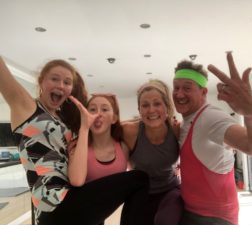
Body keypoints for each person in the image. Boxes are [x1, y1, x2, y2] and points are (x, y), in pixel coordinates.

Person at [0, 57, 148, 225]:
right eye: (54, 78)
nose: (61, 85)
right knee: (139, 179)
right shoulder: (26, 108)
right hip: (54, 205)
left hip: (71, 199)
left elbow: (104, 125)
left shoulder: (64, 119)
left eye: (67, 82)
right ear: (41, 81)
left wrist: (152, 121)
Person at [172, 52, 252, 225]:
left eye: (187, 88)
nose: (179, 94)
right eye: (176, 87)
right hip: (191, 211)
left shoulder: (210, 118)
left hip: (213, 219)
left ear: (203, 92)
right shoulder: (186, 122)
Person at [68, 93, 149, 225]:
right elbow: (76, 181)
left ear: (114, 118)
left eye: (105, 109)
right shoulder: (78, 145)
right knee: (140, 178)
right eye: (92, 109)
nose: (97, 114)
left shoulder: (123, 147)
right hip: (78, 212)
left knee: (141, 178)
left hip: (102, 212)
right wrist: (84, 128)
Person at [122, 79, 183, 225]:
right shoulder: (129, 131)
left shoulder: (176, 130)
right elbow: (102, 132)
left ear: (167, 107)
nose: (151, 110)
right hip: (139, 192)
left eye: (157, 104)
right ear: (139, 110)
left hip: (170, 190)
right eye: (145, 105)